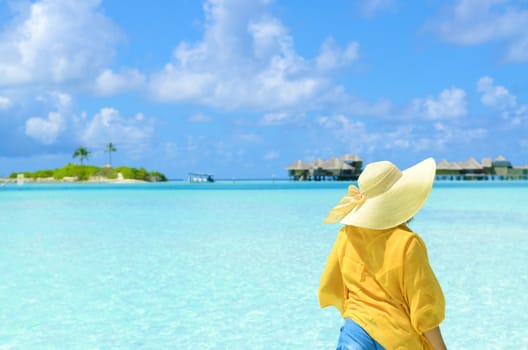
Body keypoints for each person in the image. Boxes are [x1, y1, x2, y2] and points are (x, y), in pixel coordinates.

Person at [319, 157, 447, 350]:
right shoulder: (407, 243)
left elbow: (333, 283)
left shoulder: (345, 234)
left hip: (355, 331)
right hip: (397, 339)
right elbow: (424, 309)